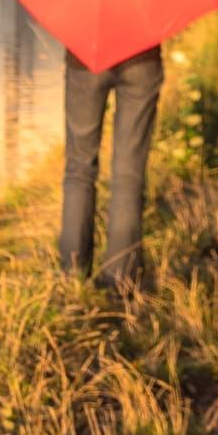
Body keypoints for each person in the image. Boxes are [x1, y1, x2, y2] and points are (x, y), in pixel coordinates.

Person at [60, 44, 164, 288]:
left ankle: (72, 275)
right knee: (129, 175)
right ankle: (121, 278)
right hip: (142, 57)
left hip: (85, 56)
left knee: (79, 170)